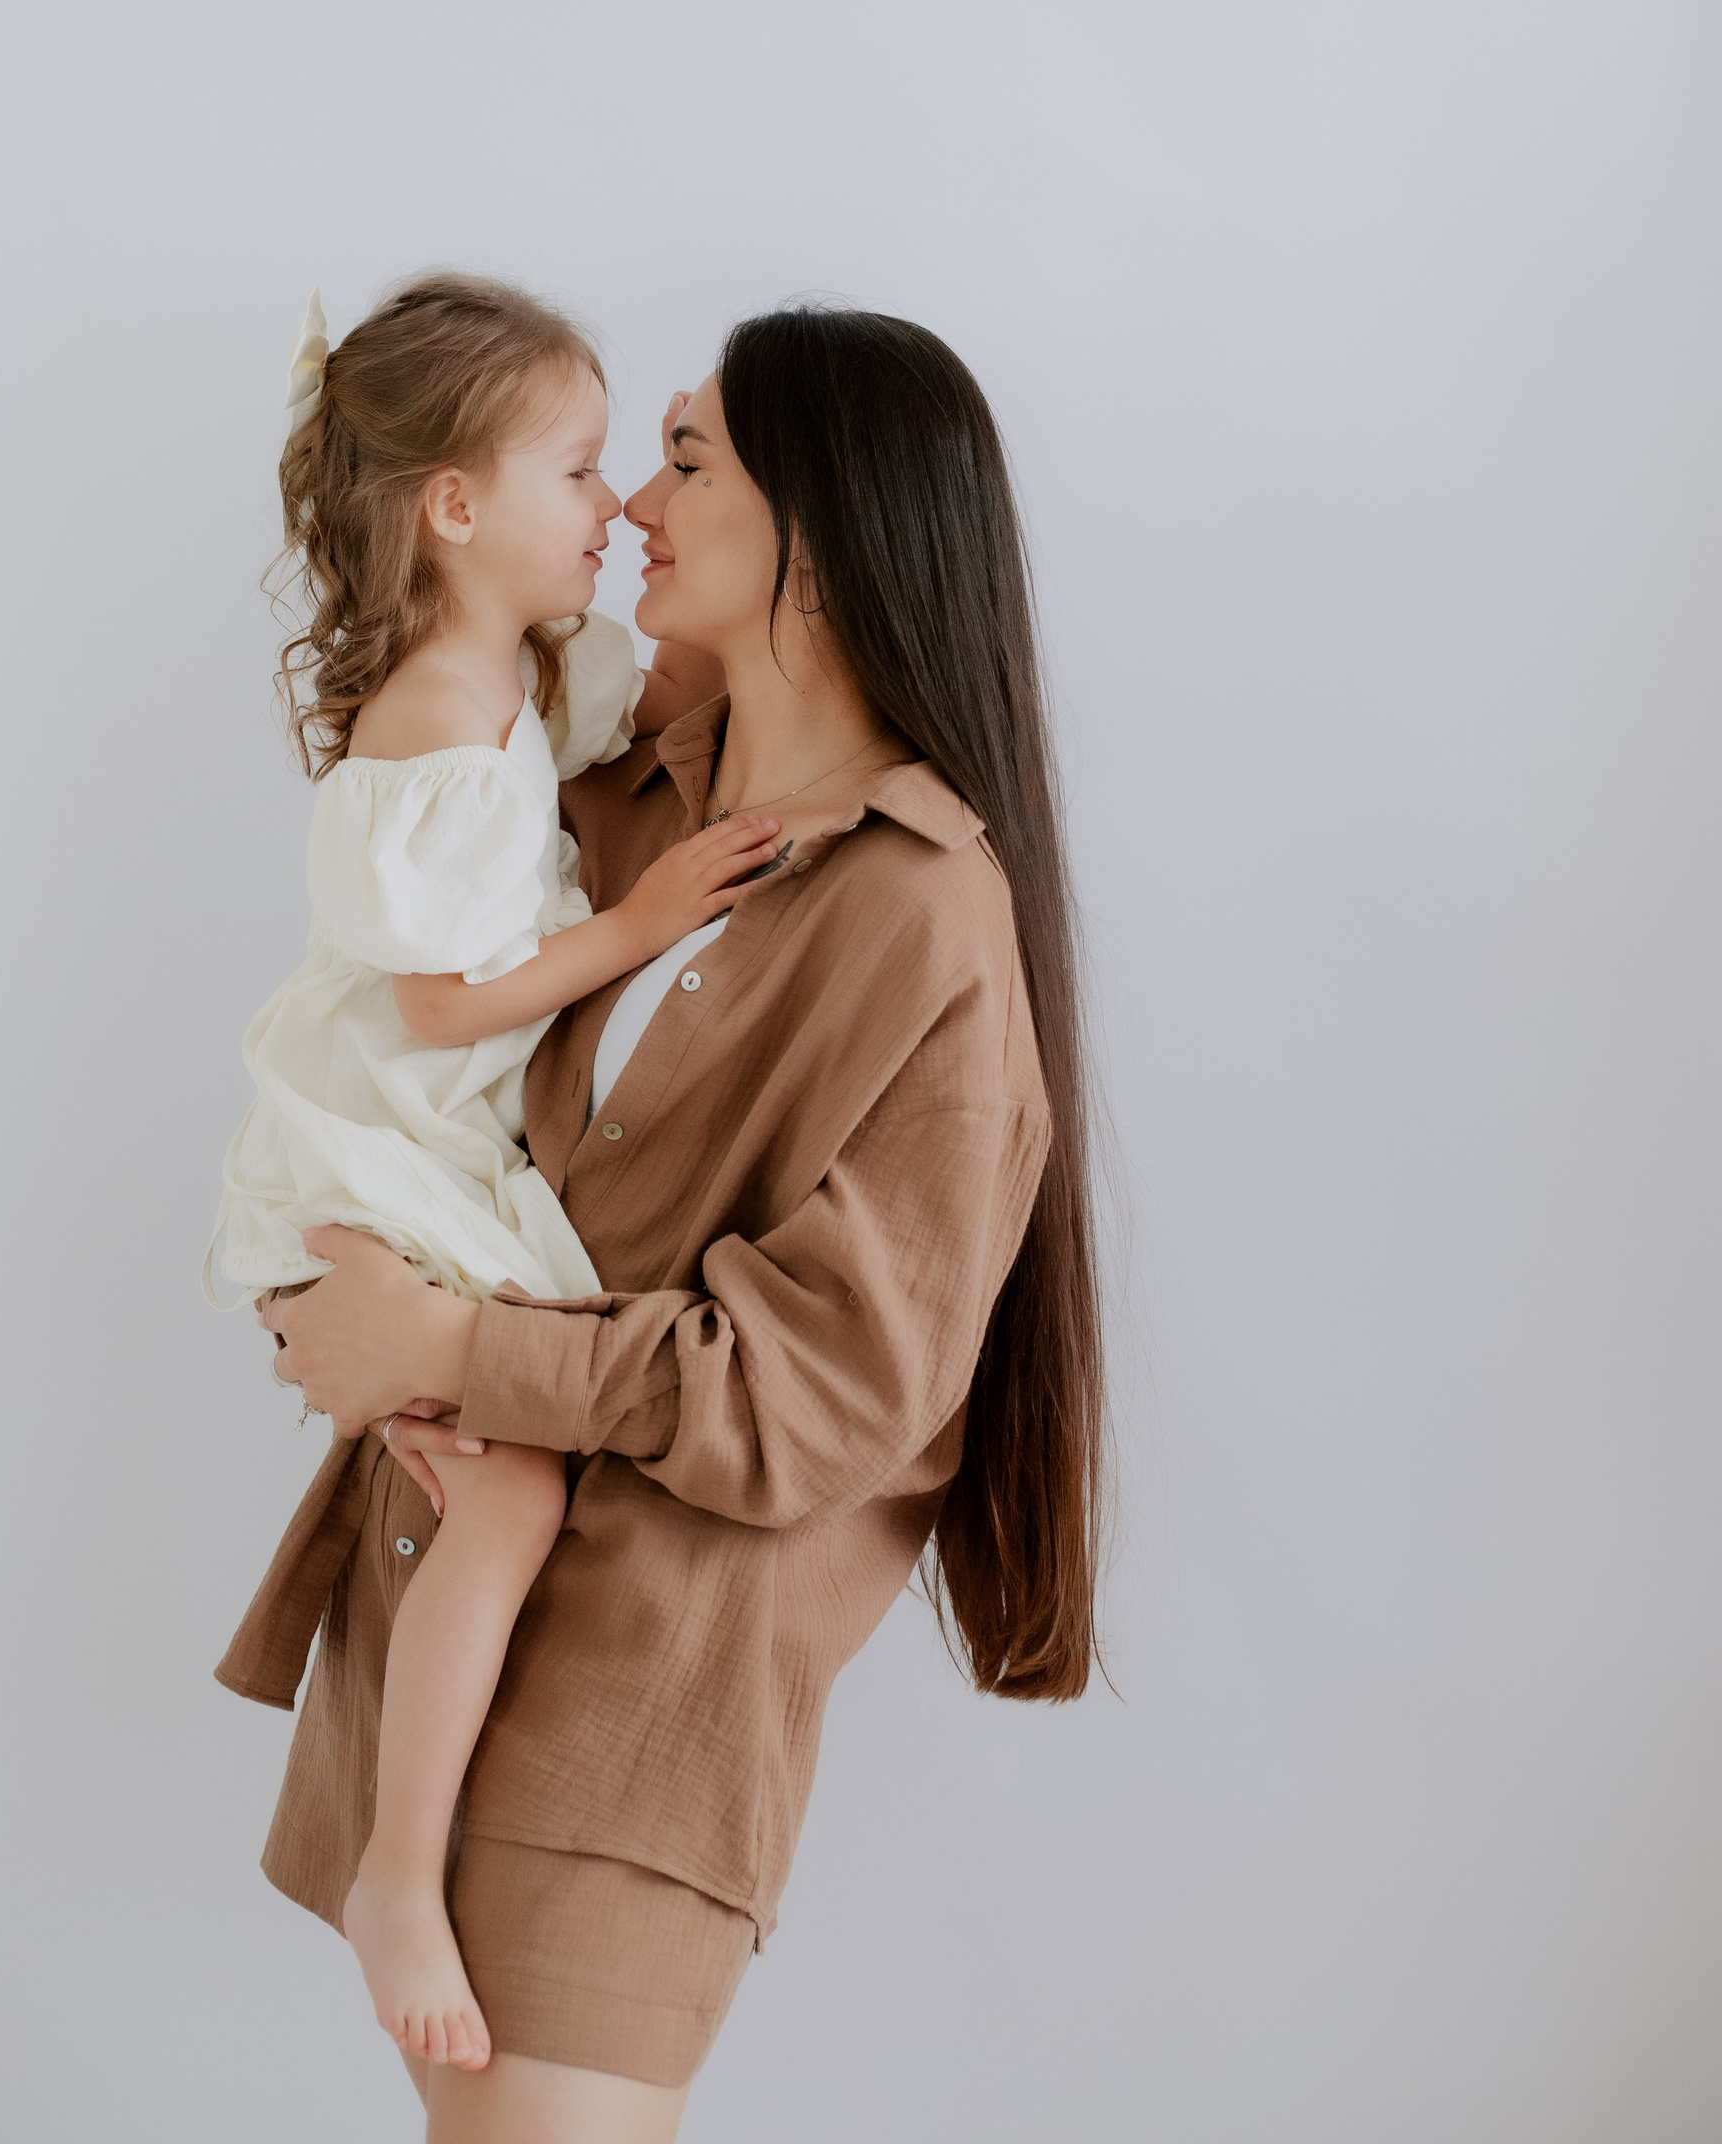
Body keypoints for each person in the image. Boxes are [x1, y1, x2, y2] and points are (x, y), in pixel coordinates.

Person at [227, 303, 1107, 2144]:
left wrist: (453, 1347)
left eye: (686, 459)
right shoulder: (603, 792)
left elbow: (820, 1399)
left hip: (634, 1712)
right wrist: (335, 1294)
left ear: (826, 530)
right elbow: (412, 1079)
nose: (629, 499)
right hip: (430, 1623)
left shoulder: (927, 924)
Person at [215, 271, 778, 2069]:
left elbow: (657, 696)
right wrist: (642, 923)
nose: (616, 506)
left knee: (509, 1497)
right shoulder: (434, 724)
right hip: (380, 1157)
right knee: (518, 1498)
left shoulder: (528, 671)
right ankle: (402, 1869)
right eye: (584, 469)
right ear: (453, 508)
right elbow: (443, 1003)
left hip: (424, 1153)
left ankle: (410, 1853)